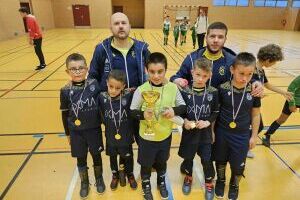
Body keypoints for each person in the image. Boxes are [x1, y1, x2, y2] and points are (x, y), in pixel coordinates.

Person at [88, 12, 150, 176]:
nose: (121, 26)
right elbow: (93, 77)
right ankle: (122, 169)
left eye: (124, 22)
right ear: (111, 28)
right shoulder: (101, 49)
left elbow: (153, 73)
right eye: (116, 23)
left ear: (129, 26)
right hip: (114, 106)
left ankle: (146, 169)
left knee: (143, 140)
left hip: (138, 104)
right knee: (119, 139)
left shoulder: (142, 48)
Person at [130, 52, 186, 200]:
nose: (156, 76)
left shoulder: (173, 88)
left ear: (166, 70)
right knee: (146, 164)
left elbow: (183, 107)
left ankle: (161, 182)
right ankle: (146, 184)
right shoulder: (141, 90)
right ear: (146, 71)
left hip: (165, 135)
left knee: (162, 162)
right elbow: (132, 111)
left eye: (160, 71)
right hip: (146, 137)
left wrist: (173, 111)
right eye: (152, 72)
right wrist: (143, 116)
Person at [214, 52, 261, 200]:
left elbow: (255, 114)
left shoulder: (254, 91)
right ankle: (220, 181)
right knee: (220, 159)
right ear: (232, 69)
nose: (245, 78)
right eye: (241, 73)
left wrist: (254, 136)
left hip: (241, 135)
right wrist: (212, 132)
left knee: (238, 164)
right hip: (222, 132)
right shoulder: (222, 89)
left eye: (249, 74)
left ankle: (235, 185)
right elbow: (215, 112)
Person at [60, 53, 105, 198]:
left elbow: (102, 106)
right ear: (67, 71)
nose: (78, 71)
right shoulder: (65, 91)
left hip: (94, 129)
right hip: (76, 132)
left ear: (86, 69)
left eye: (81, 68)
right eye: (73, 69)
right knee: (81, 158)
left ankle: (99, 178)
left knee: (96, 156)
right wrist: (68, 134)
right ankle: (85, 182)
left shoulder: (94, 84)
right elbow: (64, 114)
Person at [178, 58, 219, 200]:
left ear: (210, 76)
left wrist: (208, 122)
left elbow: (215, 112)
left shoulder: (213, 92)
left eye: (205, 76)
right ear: (192, 72)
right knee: (188, 157)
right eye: (198, 75)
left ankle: (209, 182)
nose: (201, 79)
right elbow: (181, 112)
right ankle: (188, 177)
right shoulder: (184, 91)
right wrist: (185, 121)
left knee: (207, 159)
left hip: (205, 135)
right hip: (189, 133)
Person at [247, 44, 293, 157]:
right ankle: (241, 147)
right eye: (274, 62)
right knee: (256, 126)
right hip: (246, 105)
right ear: (268, 60)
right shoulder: (251, 69)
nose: (273, 64)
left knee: (258, 126)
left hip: (254, 105)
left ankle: (244, 147)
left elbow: (267, 85)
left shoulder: (261, 71)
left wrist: (283, 92)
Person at [99, 69, 137, 190]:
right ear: (106, 83)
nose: (113, 90)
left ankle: (130, 174)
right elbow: (101, 115)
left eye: (117, 88)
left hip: (126, 136)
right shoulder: (101, 97)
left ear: (123, 87)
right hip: (111, 135)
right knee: (112, 157)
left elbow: (141, 90)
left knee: (128, 157)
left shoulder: (128, 95)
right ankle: (115, 175)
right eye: (111, 86)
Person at [262, 75, 300, 147]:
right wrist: (292, 104)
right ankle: (267, 135)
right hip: (293, 99)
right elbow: (290, 89)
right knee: (282, 119)